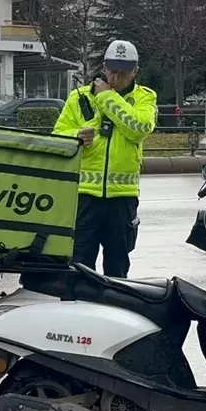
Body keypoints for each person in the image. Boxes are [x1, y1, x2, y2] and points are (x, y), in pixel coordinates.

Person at [52, 40, 157, 278]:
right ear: (104, 67)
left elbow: (139, 128)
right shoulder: (79, 97)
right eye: (112, 70)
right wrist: (75, 136)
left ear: (135, 72)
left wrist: (107, 97)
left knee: (117, 268)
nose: (116, 77)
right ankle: (78, 302)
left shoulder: (145, 98)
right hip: (84, 195)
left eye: (123, 72)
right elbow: (57, 137)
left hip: (122, 198)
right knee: (78, 265)